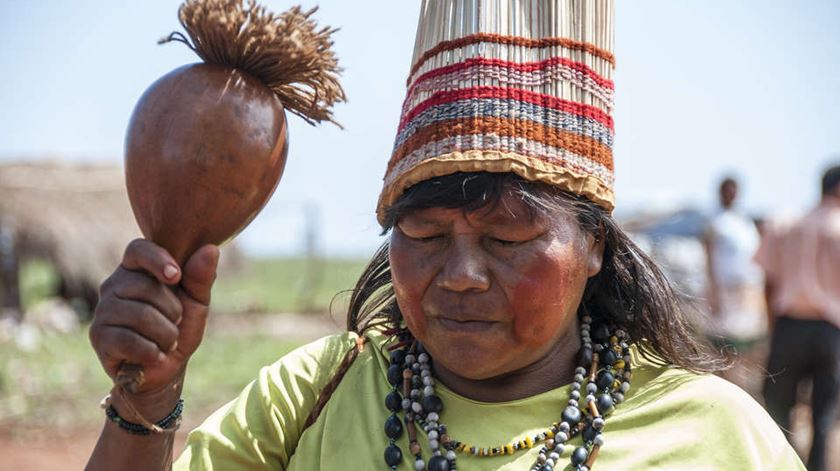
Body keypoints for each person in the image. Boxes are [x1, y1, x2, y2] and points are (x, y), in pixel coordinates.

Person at [86, 1, 806, 470]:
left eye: (507, 239)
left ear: (594, 246)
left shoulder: (717, 437)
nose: (459, 273)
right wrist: (146, 401)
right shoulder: (315, 394)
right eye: (424, 233)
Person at [755, 164, 840, 471]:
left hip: (788, 327)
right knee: (823, 415)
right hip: (830, 332)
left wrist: (772, 327)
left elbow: (768, 282)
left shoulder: (786, 223)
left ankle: (778, 465)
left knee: (778, 409)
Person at [703, 177, 767, 385]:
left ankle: (740, 385)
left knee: (747, 344)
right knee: (724, 343)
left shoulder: (743, 222)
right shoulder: (715, 222)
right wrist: (714, 292)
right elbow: (709, 258)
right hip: (725, 290)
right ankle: (726, 384)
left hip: (747, 291)